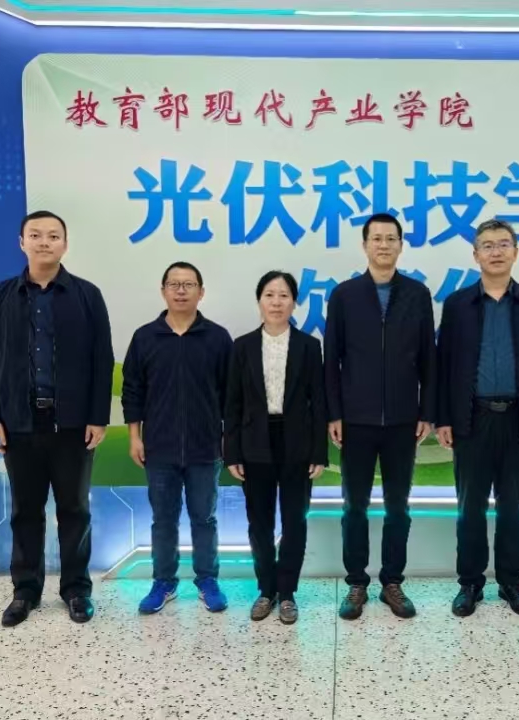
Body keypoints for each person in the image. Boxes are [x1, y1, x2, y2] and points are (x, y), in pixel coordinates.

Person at [0, 210, 113, 628]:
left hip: (72, 425)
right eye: (35, 235)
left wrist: (98, 416)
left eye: (53, 236)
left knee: (75, 509)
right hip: (18, 424)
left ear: (65, 244)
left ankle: (76, 589)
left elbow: (102, 359)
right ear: (22, 243)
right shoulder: (0, 296)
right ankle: (26, 590)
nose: (44, 242)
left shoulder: (87, 295)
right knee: (25, 511)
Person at [436, 218, 519, 619]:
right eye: (487, 245)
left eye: (504, 244)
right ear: (475, 255)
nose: (496, 251)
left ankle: (511, 583)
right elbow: (443, 364)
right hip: (472, 419)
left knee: (512, 509)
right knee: (470, 508)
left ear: (516, 252)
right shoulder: (458, 304)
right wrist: (443, 418)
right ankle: (470, 583)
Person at [324, 212, 436, 621]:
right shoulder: (345, 295)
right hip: (356, 420)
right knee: (354, 506)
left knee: (398, 507)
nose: (384, 245)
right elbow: (331, 359)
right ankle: (356, 582)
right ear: (365, 245)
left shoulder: (417, 294)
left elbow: (429, 358)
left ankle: (392, 581)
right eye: (377, 238)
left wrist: (427, 411)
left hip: (403, 420)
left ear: (401, 245)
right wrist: (334, 413)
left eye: (391, 238)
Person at [122, 262, 232, 616]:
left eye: (188, 284)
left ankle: (207, 579)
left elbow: (231, 395)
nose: (181, 290)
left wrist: (228, 437)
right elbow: (133, 391)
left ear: (201, 292)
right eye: (174, 284)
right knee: (163, 520)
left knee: (205, 519)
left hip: (205, 447)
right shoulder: (145, 337)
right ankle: (164, 582)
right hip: (159, 447)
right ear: (163, 291)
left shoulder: (218, 338)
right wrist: (135, 437)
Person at [224, 271, 328, 625]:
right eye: (269, 295)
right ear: (259, 301)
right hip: (254, 441)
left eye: (284, 295)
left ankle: (287, 593)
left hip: (297, 440)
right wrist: (232, 451)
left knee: (295, 521)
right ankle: (266, 589)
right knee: (259, 522)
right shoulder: (242, 346)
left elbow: (319, 402)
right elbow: (232, 404)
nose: (276, 302)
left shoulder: (309, 346)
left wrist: (319, 451)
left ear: (294, 302)